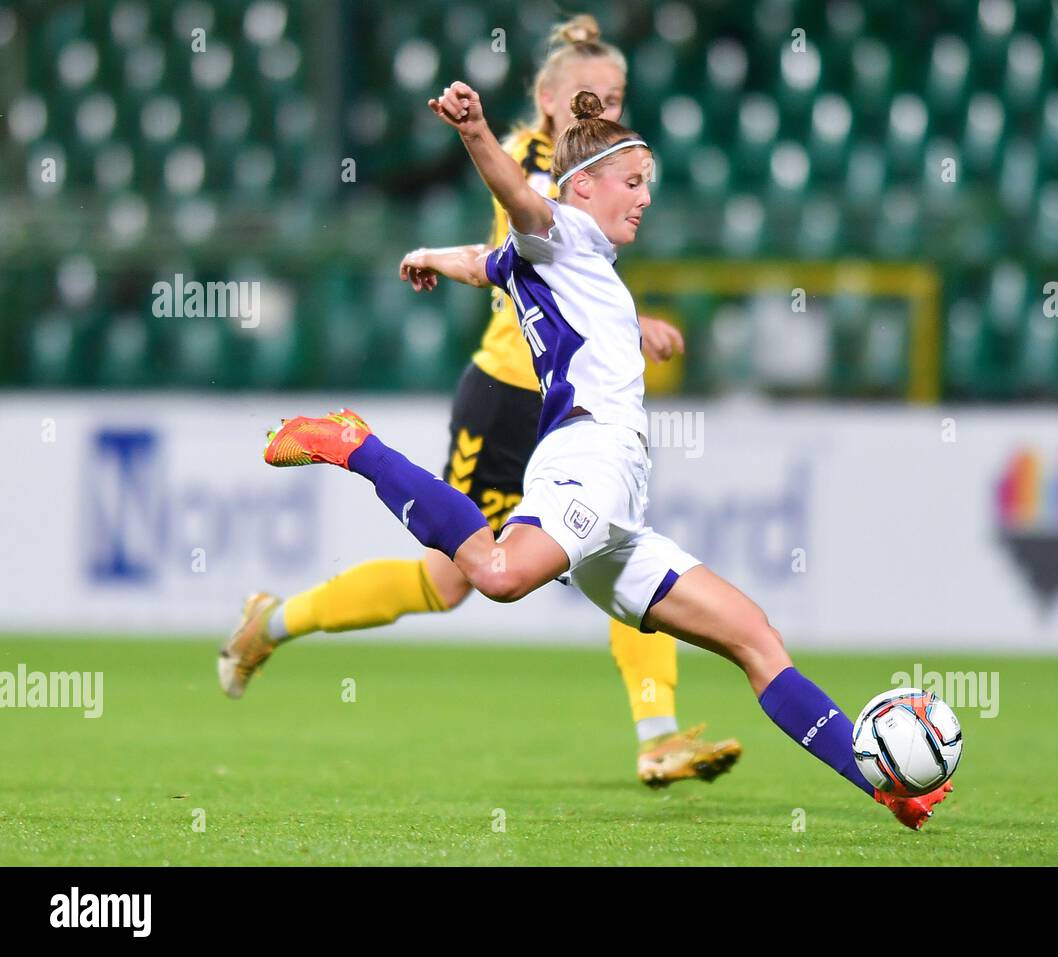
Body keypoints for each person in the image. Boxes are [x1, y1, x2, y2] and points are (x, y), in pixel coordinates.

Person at [257, 79, 953, 830]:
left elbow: (483, 258)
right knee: (495, 573)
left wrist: (428, 253)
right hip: (585, 461)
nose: (645, 198)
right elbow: (522, 205)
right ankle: (355, 445)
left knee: (757, 639)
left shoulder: (564, 258)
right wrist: (476, 131)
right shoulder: (566, 231)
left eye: (646, 183)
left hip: (620, 507)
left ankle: (881, 782)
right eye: (633, 182)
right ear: (581, 187)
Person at [218, 14, 741, 788]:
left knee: (618, 545)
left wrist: (637, 323)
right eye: (593, 92)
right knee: (451, 578)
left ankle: (658, 735)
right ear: (548, 95)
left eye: (620, 93)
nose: (607, 104)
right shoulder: (532, 165)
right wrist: (470, 145)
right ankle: (273, 621)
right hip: (506, 397)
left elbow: (580, 284)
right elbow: (525, 248)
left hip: (573, 409)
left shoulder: (591, 169)